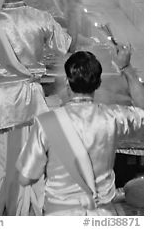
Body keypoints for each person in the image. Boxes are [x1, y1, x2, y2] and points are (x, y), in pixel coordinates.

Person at [0, 0, 82, 216]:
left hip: (1, 107)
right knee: (35, 166)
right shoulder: (42, 18)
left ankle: (6, 214)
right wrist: (74, 11)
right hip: (33, 104)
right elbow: (70, 46)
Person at [17, 49, 144, 216]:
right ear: (98, 84)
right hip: (101, 215)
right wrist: (126, 67)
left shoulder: (46, 122)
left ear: (67, 83)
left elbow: (26, 177)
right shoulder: (113, 118)